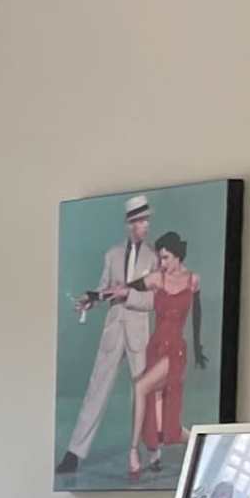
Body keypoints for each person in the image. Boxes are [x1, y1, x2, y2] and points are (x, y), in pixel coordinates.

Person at [61, 194, 159, 480]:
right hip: (114, 330)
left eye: (147, 220)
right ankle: (74, 453)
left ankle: (151, 451)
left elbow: (154, 300)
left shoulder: (153, 257)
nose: (145, 225)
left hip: (139, 333)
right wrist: (92, 299)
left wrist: (129, 294)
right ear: (130, 224)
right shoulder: (112, 254)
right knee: (96, 388)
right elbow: (104, 288)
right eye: (141, 221)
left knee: (143, 393)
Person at [136, 229, 199, 460]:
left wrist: (199, 348)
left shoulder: (193, 280)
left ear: (177, 256)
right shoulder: (156, 278)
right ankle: (155, 453)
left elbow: (196, 315)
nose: (162, 263)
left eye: (165, 258)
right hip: (156, 345)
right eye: (160, 258)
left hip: (176, 348)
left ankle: (195, 440)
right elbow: (128, 289)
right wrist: (98, 297)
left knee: (159, 393)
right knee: (155, 397)